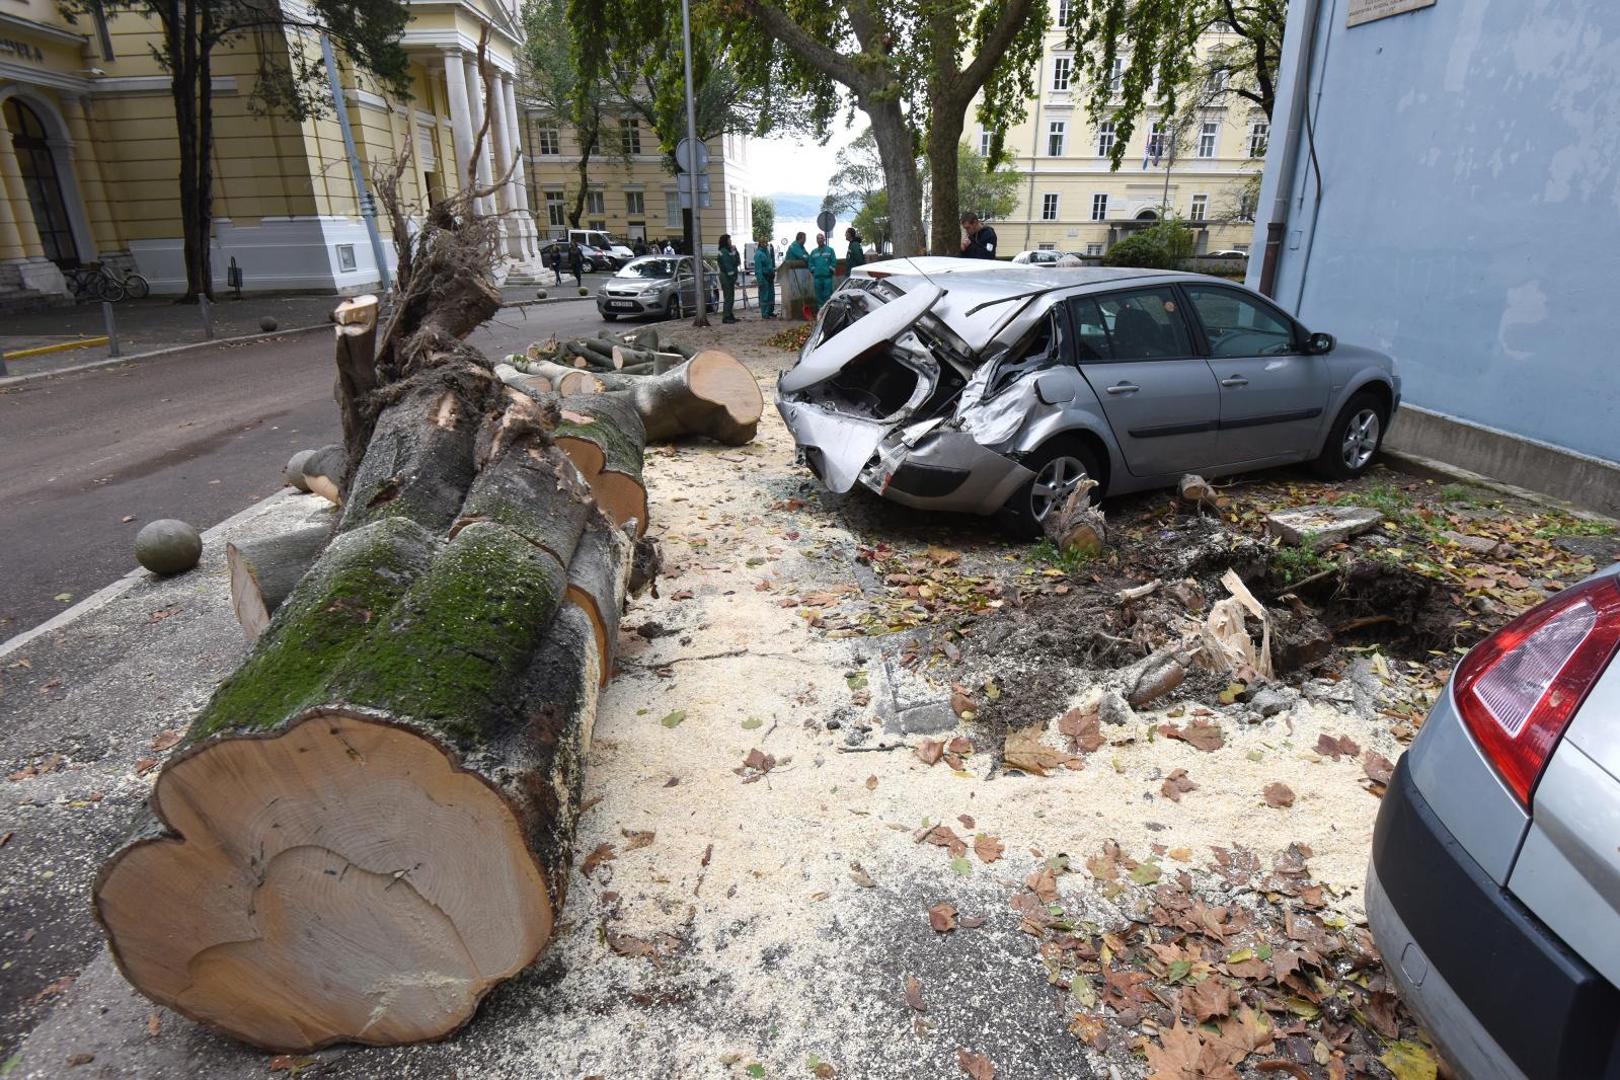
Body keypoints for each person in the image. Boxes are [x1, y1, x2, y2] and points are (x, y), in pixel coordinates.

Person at [807, 231, 838, 312]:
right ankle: (821, 313)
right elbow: (810, 263)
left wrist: (830, 270)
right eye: (818, 238)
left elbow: (834, 261)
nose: (819, 240)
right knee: (819, 297)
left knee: (827, 296)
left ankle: (828, 312)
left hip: (827, 278)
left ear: (824, 239)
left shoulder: (830, 250)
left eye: (821, 238)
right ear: (816, 240)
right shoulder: (814, 252)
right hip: (817, 278)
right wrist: (813, 270)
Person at [716, 234, 740, 324]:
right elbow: (728, 265)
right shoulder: (724, 252)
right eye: (729, 240)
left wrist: (735, 252)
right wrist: (734, 278)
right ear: (725, 241)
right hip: (726, 277)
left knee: (731, 296)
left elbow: (737, 262)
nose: (731, 241)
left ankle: (729, 314)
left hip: (729, 277)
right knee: (728, 297)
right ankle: (726, 316)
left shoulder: (728, 251)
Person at [753, 233, 776, 318]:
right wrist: (760, 280)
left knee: (771, 295)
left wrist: (773, 273)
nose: (766, 244)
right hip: (764, 277)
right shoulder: (758, 254)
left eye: (766, 242)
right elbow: (758, 269)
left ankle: (770, 311)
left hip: (770, 277)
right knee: (764, 296)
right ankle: (764, 313)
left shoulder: (766, 252)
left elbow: (770, 264)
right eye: (764, 242)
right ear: (760, 243)